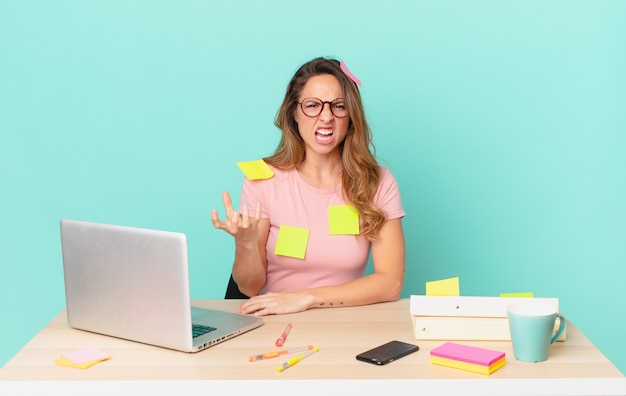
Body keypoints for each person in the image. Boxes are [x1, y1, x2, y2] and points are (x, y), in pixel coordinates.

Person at [211, 57, 405, 316]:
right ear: (293, 112)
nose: (326, 117)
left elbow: (390, 284)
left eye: (339, 106)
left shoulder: (378, 182)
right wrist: (245, 245)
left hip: (346, 327)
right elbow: (249, 287)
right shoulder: (263, 180)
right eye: (312, 105)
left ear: (351, 116)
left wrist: (306, 298)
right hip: (274, 326)